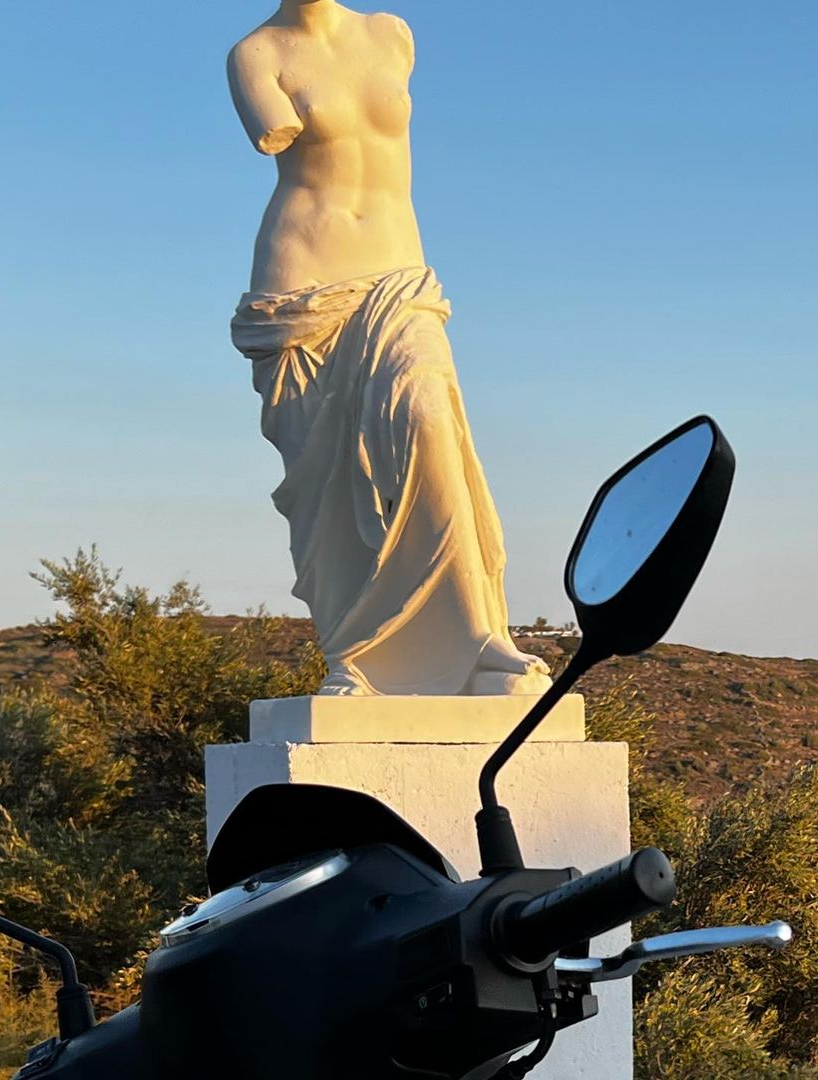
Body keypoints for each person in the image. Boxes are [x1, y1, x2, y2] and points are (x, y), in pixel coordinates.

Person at [228, 0, 550, 696]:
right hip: (303, 288)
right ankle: (356, 655)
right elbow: (275, 133)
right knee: (332, 487)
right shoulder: (257, 55)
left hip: (397, 278)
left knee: (428, 421)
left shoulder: (390, 34)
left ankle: (477, 637)